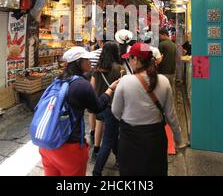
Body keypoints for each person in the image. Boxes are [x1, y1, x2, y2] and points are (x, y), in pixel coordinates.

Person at [39, 47, 119, 176]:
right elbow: (96, 108)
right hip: (69, 148)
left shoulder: (58, 80)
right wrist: (110, 89)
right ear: (78, 63)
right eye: (86, 59)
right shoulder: (81, 84)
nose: (90, 62)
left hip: (47, 145)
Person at [111, 43, 181, 176]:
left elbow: (115, 111)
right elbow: (171, 115)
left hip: (130, 139)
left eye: (130, 58)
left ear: (136, 59)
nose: (129, 61)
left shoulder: (125, 81)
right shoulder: (164, 81)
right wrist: (178, 139)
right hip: (155, 139)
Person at [91, 42, 125, 176]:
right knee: (108, 141)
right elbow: (123, 90)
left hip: (99, 106)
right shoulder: (120, 69)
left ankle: (118, 158)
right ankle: (96, 171)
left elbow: (92, 88)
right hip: (113, 108)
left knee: (112, 136)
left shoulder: (97, 69)